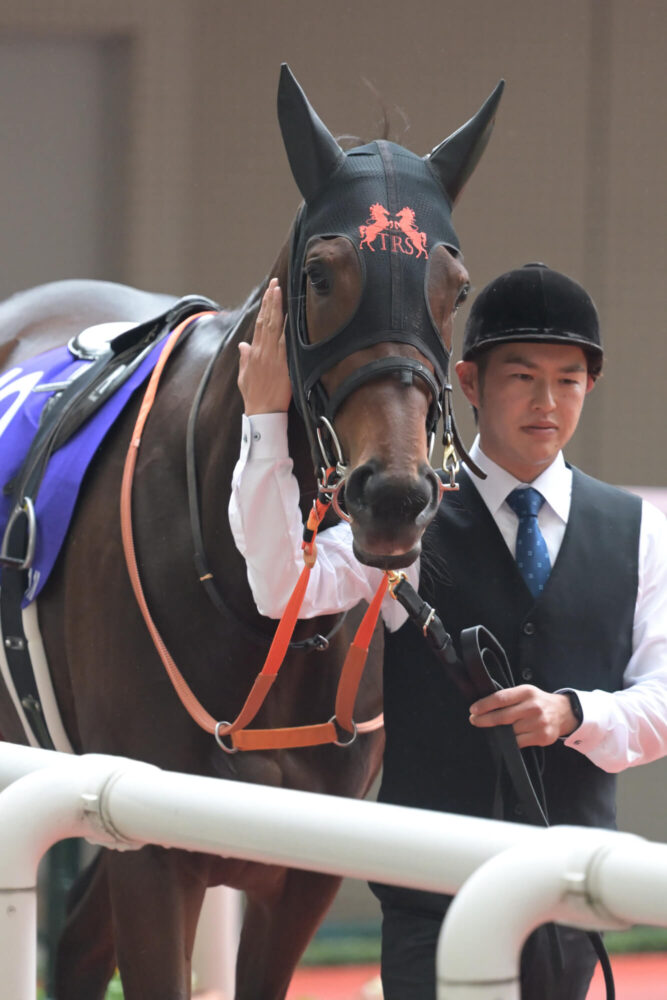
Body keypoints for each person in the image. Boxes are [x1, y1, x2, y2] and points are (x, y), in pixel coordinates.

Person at [229, 265, 667, 1000]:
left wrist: (573, 713)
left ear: (590, 386)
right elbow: (282, 588)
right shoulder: (410, 514)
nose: (546, 401)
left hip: (568, 892)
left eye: (567, 380)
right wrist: (265, 424)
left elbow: (658, 701)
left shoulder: (638, 531)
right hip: (431, 889)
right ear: (466, 382)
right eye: (521, 377)